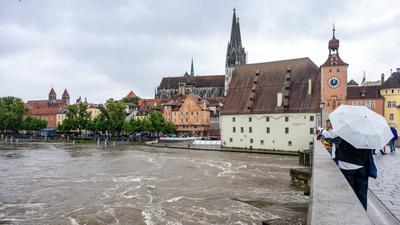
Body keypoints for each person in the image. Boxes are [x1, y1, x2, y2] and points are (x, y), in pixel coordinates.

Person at [317, 128, 377, 210]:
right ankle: (363, 215)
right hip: (362, 165)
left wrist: (321, 130)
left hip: (347, 164)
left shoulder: (346, 126)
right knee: (362, 194)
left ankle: (351, 212)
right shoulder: (367, 129)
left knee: (349, 193)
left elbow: (331, 134)